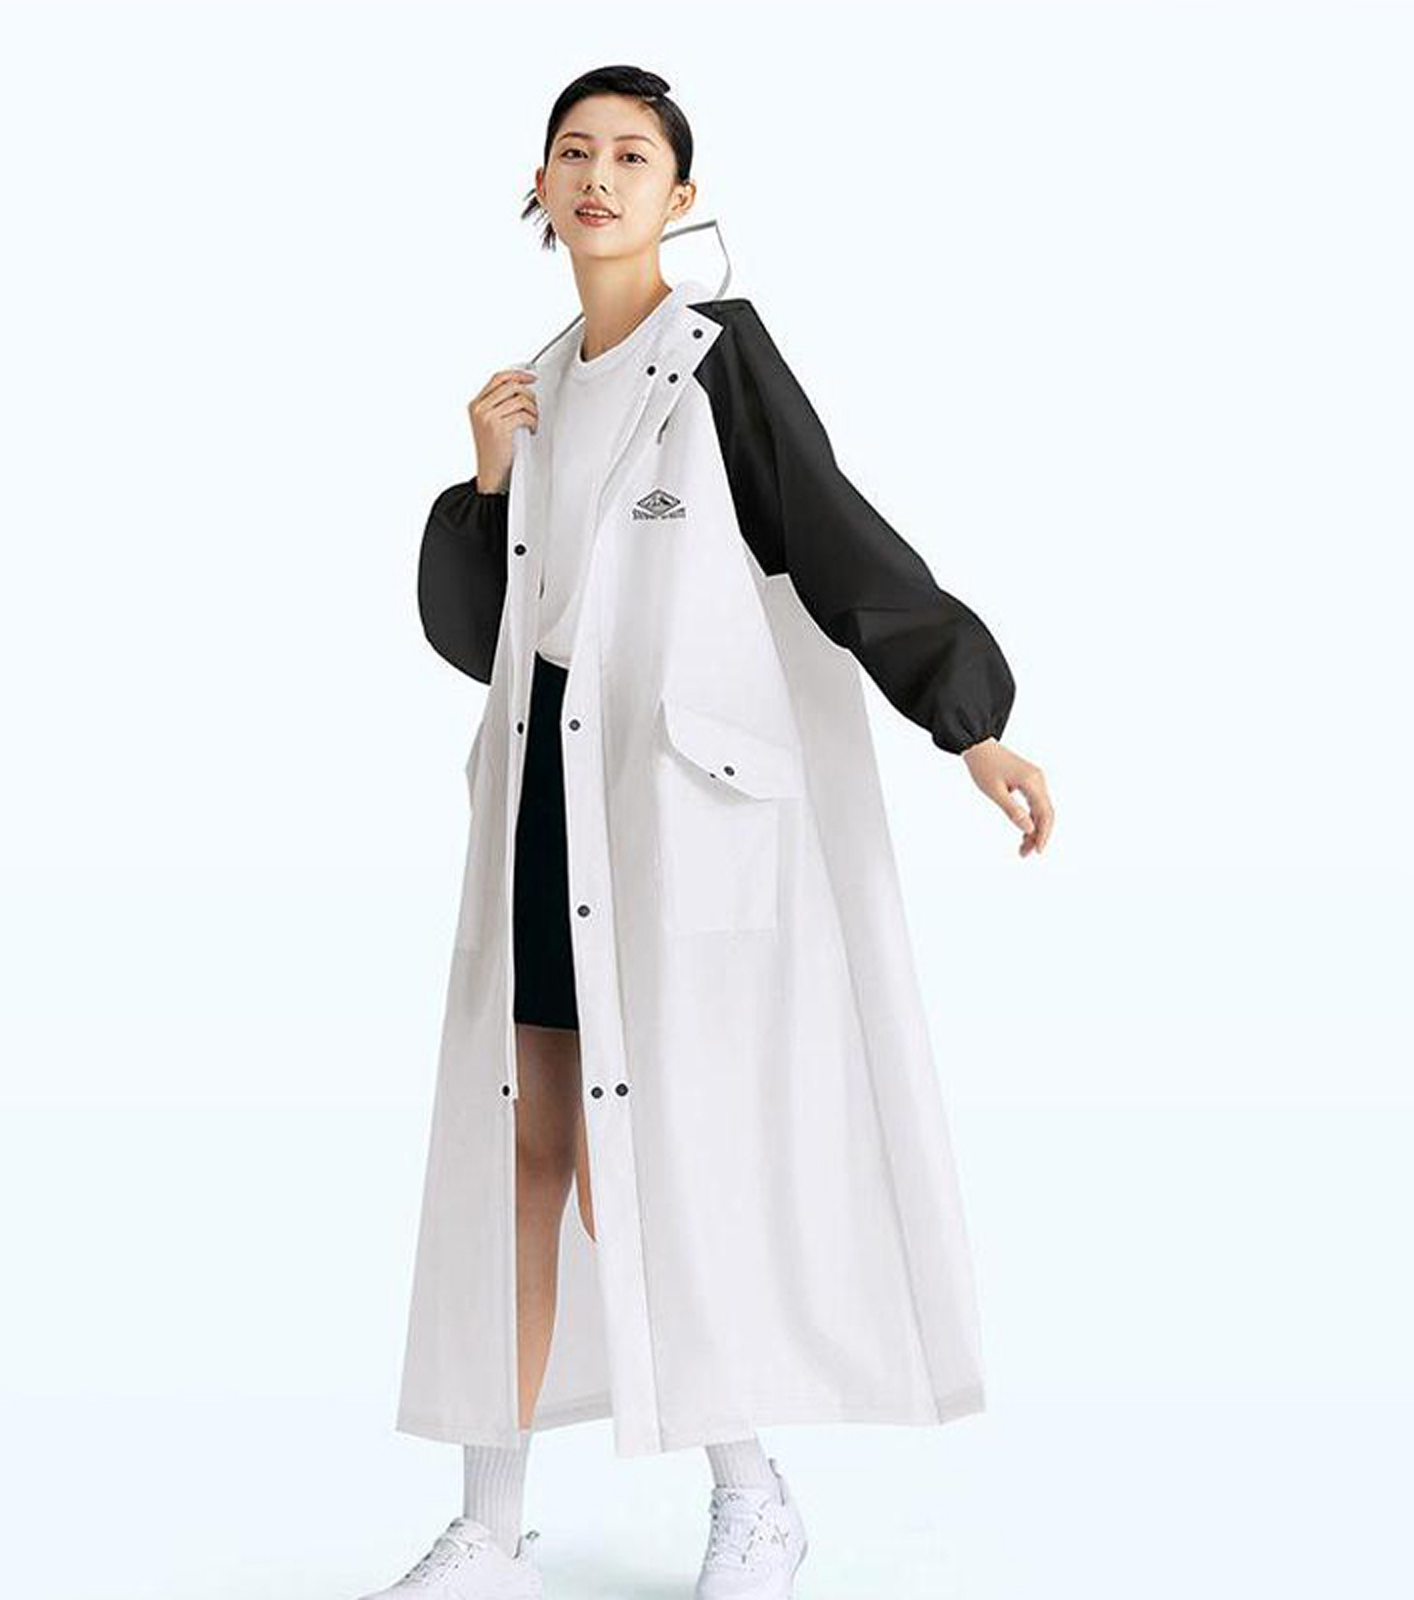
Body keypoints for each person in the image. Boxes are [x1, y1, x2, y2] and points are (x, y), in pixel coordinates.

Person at [361, 64, 1054, 1600]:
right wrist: (483, 484)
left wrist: (970, 720)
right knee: (525, 1151)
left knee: (650, 1163)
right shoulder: (535, 390)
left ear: (681, 196)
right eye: (573, 152)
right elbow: (485, 641)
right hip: (542, 807)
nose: (598, 176)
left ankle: (755, 1498)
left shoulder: (715, 359)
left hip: (667, 825)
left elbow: (835, 533)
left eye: (632, 155)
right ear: (538, 190)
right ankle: (490, 1525)